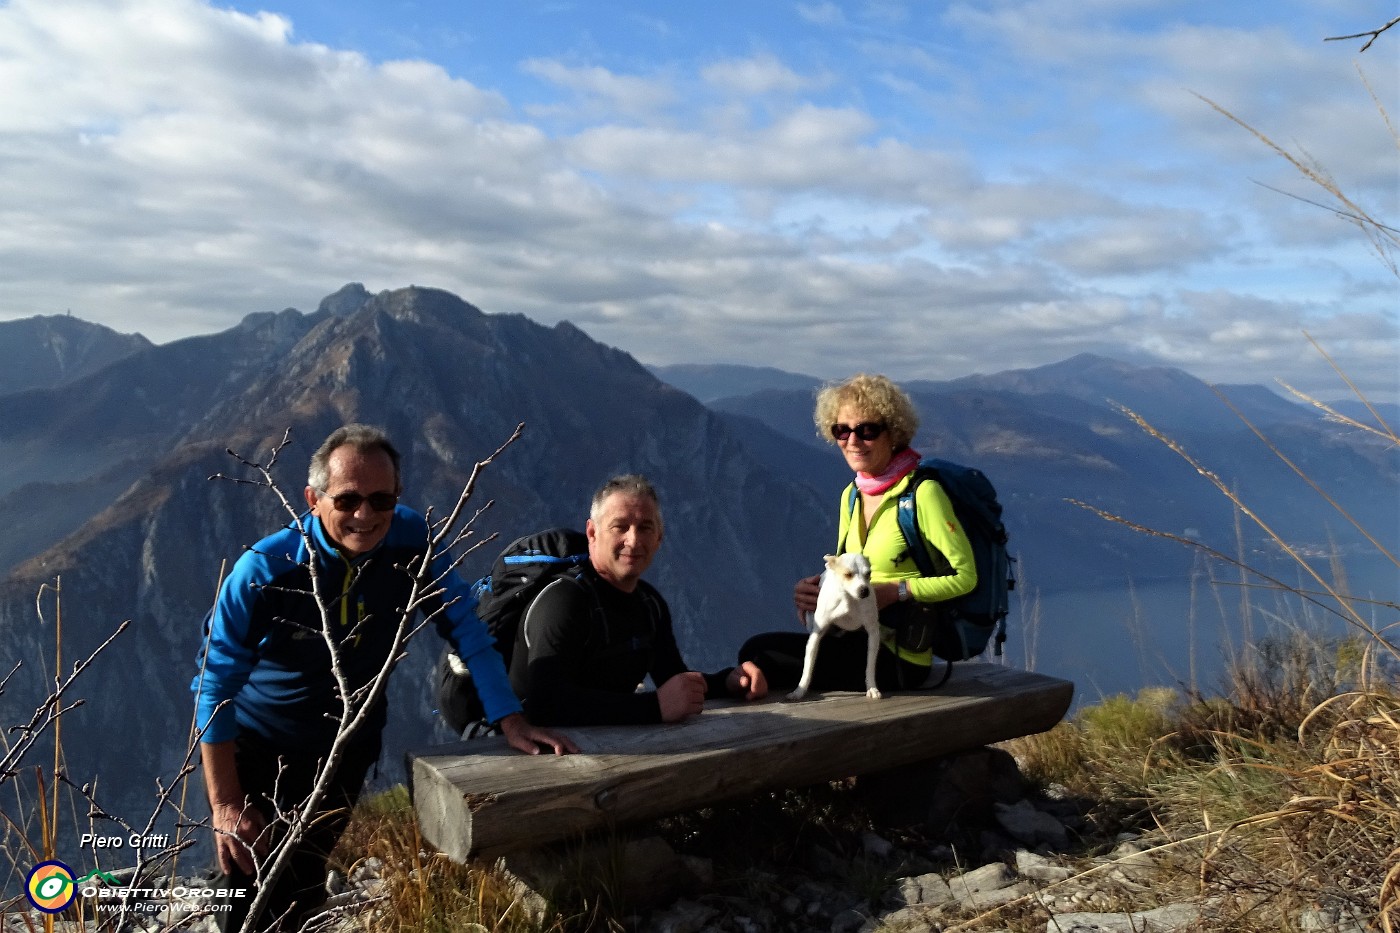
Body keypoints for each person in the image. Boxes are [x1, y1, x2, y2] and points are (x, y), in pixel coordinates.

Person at [192, 424, 575, 932]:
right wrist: (226, 803)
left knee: (304, 880)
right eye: (347, 499)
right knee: (247, 895)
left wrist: (510, 718)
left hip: (348, 744)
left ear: (397, 497)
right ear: (313, 498)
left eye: (381, 499)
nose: (364, 515)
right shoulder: (265, 571)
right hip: (262, 749)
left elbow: (465, 627)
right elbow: (213, 686)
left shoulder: (411, 541)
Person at [739, 373, 978, 694]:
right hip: (852, 637)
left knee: (764, 658)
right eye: (842, 430)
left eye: (867, 430)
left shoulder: (923, 495)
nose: (853, 441)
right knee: (755, 650)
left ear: (892, 433)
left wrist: (896, 591)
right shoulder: (851, 495)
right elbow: (845, 568)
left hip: (899, 659)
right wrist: (815, 589)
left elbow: (965, 577)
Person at [508, 474, 768, 725]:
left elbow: (673, 681)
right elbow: (544, 704)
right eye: (620, 527)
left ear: (659, 538)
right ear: (592, 533)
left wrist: (729, 681)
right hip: (526, 758)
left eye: (645, 528)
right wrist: (652, 708)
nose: (633, 541)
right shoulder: (564, 600)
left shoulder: (649, 604)